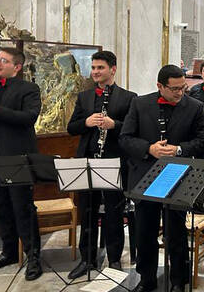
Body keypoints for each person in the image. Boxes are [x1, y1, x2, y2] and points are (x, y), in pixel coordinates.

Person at [119, 65, 204, 292]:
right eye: (174, 89)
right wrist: (149, 148)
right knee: (145, 234)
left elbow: (203, 140)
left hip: (177, 177)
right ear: (159, 86)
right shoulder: (139, 104)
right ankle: (146, 279)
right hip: (145, 177)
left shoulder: (195, 107)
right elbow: (125, 138)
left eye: (183, 88)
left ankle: (178, 281)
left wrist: (179, 149)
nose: (180, 93)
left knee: (176, 235)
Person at [66, 51, 137, 279]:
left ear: (113, 69)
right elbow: (72, 127)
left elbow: (133, 129)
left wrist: (113, 124)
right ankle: (87, 258)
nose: (96, 72)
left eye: (100, 68)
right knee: (87, 211)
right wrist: (86, 122)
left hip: (114, 161)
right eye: (94, 68)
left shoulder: (129, 97)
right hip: (87, 160)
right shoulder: (84, 96)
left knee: (114, 212)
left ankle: (114, 259)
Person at [0, 48, 43, 281]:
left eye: (3, 60)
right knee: (1, 208)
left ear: (17, 66)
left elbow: (28, 119)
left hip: (16, 158)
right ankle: (9, 252)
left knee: (23, 208)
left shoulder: (29, 89)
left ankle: (33, 257)